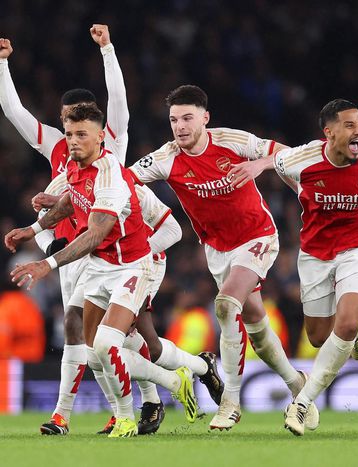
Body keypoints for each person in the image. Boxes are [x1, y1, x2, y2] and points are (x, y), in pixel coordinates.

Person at [231, 98, 358, 436]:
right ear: (329, 132)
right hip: (315, 255)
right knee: (318, 336)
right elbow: (278, 162)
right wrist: (258, 167)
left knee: (347, 322)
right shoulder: (303, 159)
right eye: (350, 126)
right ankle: (357, 330)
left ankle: (302, 402)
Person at [0, 25, 166, 435]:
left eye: (81, 121)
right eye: (67, 121)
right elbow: (14, 111)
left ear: (97, 125)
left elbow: (120, 102)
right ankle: (68, 415)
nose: (73, 130)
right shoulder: (57, 145)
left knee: (122, 338)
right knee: (80, 331)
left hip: (116, 246)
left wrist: (108, 50)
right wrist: (2, 64)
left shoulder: (111, 143)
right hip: (72, 249)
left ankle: (153, 395)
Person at [129, 84, 318, 431]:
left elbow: (288, 154)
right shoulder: (166, 158)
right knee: (255, 325)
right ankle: (297, 384)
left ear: (205, 118)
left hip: (257, 236)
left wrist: (260, 165)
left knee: (226, 305)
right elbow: (121, 180)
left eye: (187, 118)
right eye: (174, 120)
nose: (180, 126)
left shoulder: (232, 141)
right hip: (217, 249)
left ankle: (230, 402)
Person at [4, 103, 198, 438]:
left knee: (109, 343)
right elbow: (71, 200)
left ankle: (125, 417)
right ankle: (172, 380)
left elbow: (94, 234)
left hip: (132, 267)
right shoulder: (76, 167)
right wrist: (33, 230)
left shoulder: (110, 175)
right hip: (100, 267)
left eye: (81, 134)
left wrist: (46, 263)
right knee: (95, 354)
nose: (73, 141)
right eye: (69, 134)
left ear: (100, 138)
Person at [37, 171, 223, 435]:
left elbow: (173, 230)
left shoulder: (129, 184)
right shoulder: (69, 180)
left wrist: (136, 254)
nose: (75, 152)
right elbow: (44, 220)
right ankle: (188, 374)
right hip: (101, 266)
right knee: (92, 339)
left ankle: (145, 403)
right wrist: (41, 235)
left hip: (141, 265)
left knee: (123, 343)